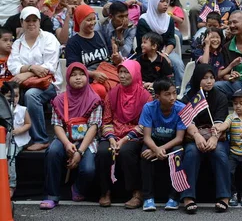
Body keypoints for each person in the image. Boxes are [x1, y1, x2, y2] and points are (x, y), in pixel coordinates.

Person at [39, 62, 102, 210]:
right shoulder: (60, 99)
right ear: (67, 78)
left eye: (81, 74)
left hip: (87, 140)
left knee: (88, 170)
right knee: (53, 152)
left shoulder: (94, 99)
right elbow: (57, 125)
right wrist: (67, 144)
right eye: (73, 75)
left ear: (87, 76)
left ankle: (78, 188)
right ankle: (51, 196)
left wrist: (79, 152)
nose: (78, 78)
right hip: (65, 138)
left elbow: (94, 127)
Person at [96, 60, 152, 208]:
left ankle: (136, 193)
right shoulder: (112, 93)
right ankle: (105, 191)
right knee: (102, 151)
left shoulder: (145, 96)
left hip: (134, 135)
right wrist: (112, 138)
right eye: (120, 72)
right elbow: (106, 120)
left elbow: (144, 124)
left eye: (126, 72)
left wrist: (125, 139)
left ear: (135, 74)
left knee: (127, 152)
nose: (122, 75)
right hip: (114, 133)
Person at [8, 7, 63, 151]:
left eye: (34, 20)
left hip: (49, 84)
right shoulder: (18, 43)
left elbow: (48, 67)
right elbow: (13, 66)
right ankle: (14, 136)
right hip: (25, 84)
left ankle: (41, 139)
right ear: (22, 22)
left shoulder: (49, 38)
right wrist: (33, 68)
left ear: (39, 21)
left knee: (31, 95)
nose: (31, 23)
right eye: (27, 20)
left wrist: (26, 71)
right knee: (8, 93)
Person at [180, 64, 231, 214]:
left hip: (216, 134)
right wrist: (196, 136)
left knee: (220, 153)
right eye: (205, 78)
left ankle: (224, 197)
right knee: (191, 153)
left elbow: (220, 121)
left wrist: (214, 138)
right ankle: (188, 197)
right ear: (197, 79)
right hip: (194, 135)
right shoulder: (189, 97)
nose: (209, 81)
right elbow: (187, 121)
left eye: (211, 78)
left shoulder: (220, 96)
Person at [139, 78, 186, 211]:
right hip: (154, 141)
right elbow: (146, 137)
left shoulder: (181, 108)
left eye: (174, 93)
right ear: (157, 96)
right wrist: (154, 149)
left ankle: (173, 198)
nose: (172, 97)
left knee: (178, 152)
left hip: (172, 143)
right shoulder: (149, 107)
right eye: (167, 94)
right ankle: (148, 198)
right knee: (145, 155)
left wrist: (158, 150)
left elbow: (179, 138)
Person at [212, 89, 242, 207]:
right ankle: (233, 193)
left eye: (241, 103)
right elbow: (225, 124)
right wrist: (219, 128)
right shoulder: (231, 117)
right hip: (233, 152)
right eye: (235, 103)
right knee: (229, 173)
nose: (238, 106)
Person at [136, 0, 185, 87]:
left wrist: (165, 54)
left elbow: (171, 40)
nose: (166, 4)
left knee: (178, 63)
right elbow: (141, 43)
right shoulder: (144, 20)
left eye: (167, 1)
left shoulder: (169, 19)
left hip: (165, 50)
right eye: (162, 1)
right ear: (154, 2)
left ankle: (180, 90)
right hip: (146, 50)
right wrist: (160, 55)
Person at [65, 4, 114, 99]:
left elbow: (111, 58)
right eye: (88, 20)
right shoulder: (73, 42)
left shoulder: (101, 35)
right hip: (88, 80)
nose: (92, 23)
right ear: (80, 21)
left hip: (108, 75)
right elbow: (74, 69)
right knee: (100, 90)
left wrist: (116, 58)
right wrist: (93, 74)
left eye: (93, 19)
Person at [5, 85, 30, 198]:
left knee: (10, 157)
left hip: (18, 139)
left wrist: (19, 131)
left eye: (16, 96)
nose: (13, 99)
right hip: (4, 140)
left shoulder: (22, 110)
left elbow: (28, 124)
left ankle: (11, 184)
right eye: (10, 96)